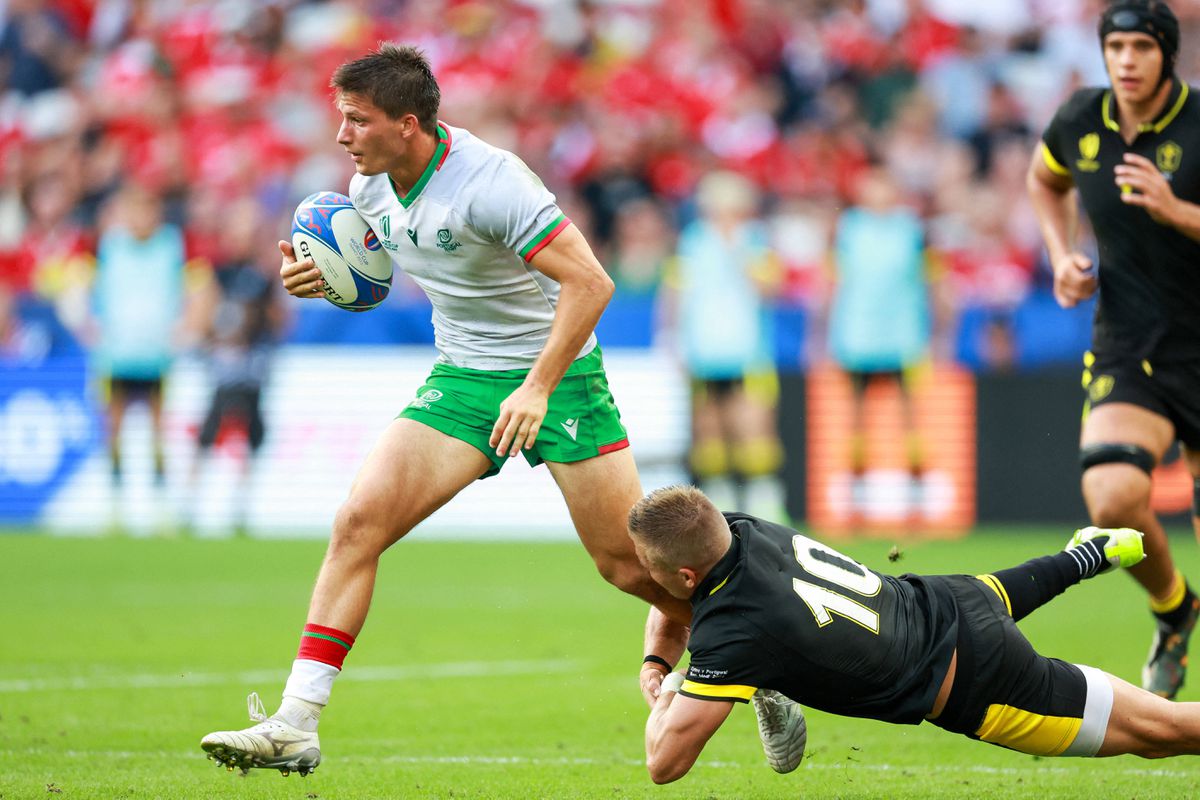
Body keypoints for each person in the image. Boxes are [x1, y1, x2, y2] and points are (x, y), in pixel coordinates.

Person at [200, 44, 794, 777]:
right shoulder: (369, 190)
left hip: (562, 372)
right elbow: (385, 270)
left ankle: (765, 658)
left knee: (628, 568)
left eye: (358, 120)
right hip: (464, 379)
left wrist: (538, 386)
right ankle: (296, 722)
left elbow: (591, 283)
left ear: (408, 125)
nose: (342, 136)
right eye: (340, 118)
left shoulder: (491, 181)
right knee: (359, 522)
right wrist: (323, 278)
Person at [629, 484, 1200, 785]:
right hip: (945, 597)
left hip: (979, 680)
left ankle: (1086, 555)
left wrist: (667, 692)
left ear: (685, 575)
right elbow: (682, 597)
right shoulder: (736, 527)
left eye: (649, 571)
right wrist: (659, 656)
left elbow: (665, 764)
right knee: (1015, 586)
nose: (644, 582)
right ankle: (1088, 553)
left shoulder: (735, 633)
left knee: (1162, 731)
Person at [1026, 0, 1200, 699]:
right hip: (1132, 346)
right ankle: (1175, 609)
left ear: (1167, 53)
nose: (1126, 60)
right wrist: (1060, 253)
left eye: (1141, 47)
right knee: (1112, 494)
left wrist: (1176, 210)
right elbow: (1045, 180)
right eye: (1116, 46)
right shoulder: (1080, 120)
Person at [663, 170, 785, 518]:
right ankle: (721, 506)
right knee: (709, 427)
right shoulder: (693, 240)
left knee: (753, 425)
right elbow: (676, 292)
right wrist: (672, 338)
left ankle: (766, 504)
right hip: (703, 349)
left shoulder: (756, 241)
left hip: (746, 350)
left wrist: (740, 253)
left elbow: (769, 290)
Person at [828, 164, 934, 521]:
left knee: (912, 417)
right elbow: (833, 283)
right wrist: (823, 334)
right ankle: (856, 498)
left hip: (903, 336)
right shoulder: (849, 228)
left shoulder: (911, 229)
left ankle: (916, 496)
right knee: (856, 419)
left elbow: (930, 281)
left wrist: (937, 332)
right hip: (857, 337)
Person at [185, 198, 285, 536]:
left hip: (253, 368)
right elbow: (202, 314)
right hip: (225, 367)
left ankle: (240, 506)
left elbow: (279, 321)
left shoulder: (264, 277)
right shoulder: (216, 272)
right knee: (210, 432)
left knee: (250, 434)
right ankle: (191, 504)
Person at [90, 182, 187, 529]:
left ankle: (161, 504)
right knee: (113, 429)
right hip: (116, 354)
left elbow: (182, 291)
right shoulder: (111, 246)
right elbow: (98, 294)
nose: (140, 218)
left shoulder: (170, 245)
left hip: (156, 355)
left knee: (158, 430)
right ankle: (115, 503)